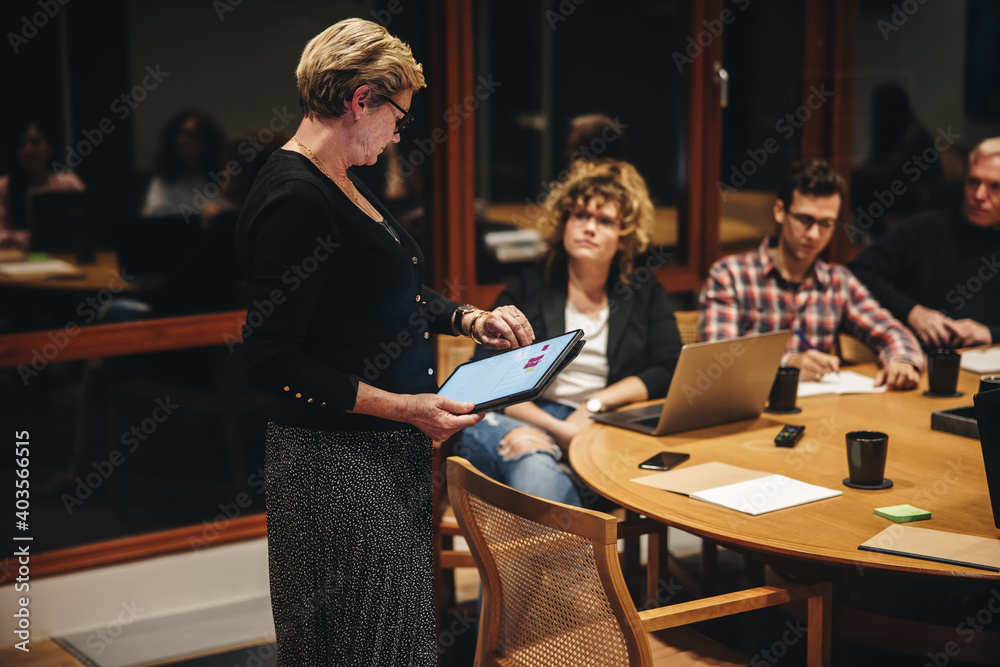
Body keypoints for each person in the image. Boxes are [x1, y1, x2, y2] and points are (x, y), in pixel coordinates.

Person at [233, 18, 533, 666]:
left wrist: (469, 319)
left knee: (393, 642)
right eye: (398, 113)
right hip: (333, 467)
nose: (401, 131)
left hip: (377, 457)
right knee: (367, 647)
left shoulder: (339, 178)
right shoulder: (296, 196)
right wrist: (408, 408)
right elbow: (270, 359)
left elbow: (387, 297)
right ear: (359, 99)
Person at [453, 158, 682, 507]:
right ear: (564, 223)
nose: (589, 227)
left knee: (552, 467)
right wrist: (559, 432)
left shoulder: (642, 291)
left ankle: (547, 553)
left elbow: (669, 367)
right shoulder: (529, 286)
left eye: (604, 221)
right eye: (580, 216)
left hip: (599, 421)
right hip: (522, 414)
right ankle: (575, 553)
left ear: (623, 238)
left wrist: (594, 405)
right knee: (531, 455)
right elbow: (484, 382)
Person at [699, 158, 924, 388]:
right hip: (751, 410)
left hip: (816, 411)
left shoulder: (837, 281)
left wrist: (902, 361)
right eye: (805, 220)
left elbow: (891, 330)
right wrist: (789, 363)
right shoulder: (731, 275)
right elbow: (717, 363)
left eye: (826, 223)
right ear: (780, 211)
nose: (815, 234)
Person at [849, 137, 1000, 348]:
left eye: (995, 187)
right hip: (919, 356)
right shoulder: (926, 228)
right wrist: (912, 311)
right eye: (973, 182)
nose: (979, 195)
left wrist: (990, 334)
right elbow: (858, 272)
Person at [0, 118, 85, 248]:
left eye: (35, 142)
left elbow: (89, 225)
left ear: (50, 148)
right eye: (22, 143)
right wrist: (33, 236)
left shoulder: (68, 183)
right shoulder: (5, 186)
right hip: (18, 260)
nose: (28, 150)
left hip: (65, 255)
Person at [141, 109, 230, 220]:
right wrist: (198, 216)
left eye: (191, 136)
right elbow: (154, 217)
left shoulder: (221, 176)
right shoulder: (164, 179)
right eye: (179, 134)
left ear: (207, 142)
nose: (182, 140)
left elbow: (235, 209)